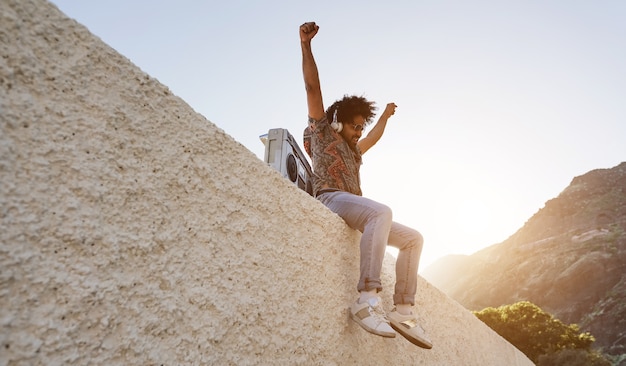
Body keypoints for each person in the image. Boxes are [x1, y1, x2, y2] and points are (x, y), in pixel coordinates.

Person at [300, 21, 432, 349]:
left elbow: (374, 137)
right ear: (338, 121)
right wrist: (306, 46)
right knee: (380, 212)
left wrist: (385, 116)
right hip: (331, 198)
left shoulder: (355, 150)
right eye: (355, 126)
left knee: (413, 239)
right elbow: (312, 89)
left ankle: (403, 310)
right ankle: (366, 299)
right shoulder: (322, 132)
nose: (359, 132)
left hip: (353, 207)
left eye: (362, 127)